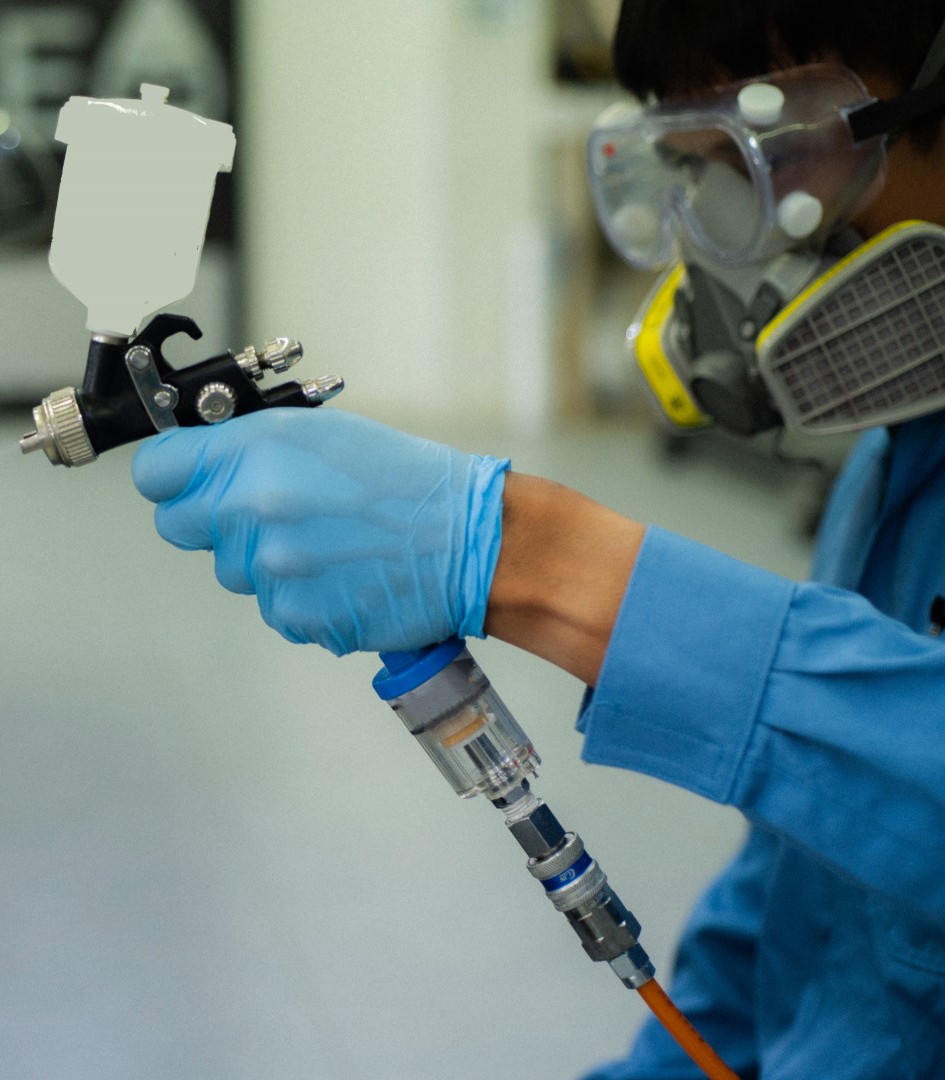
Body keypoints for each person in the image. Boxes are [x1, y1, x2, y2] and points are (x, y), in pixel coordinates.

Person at [130, 2, 945, 1076]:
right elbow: (805, 892)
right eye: (698, 170)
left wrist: (531, 554)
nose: (747, 238)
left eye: (779, 155)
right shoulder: (900, 462)